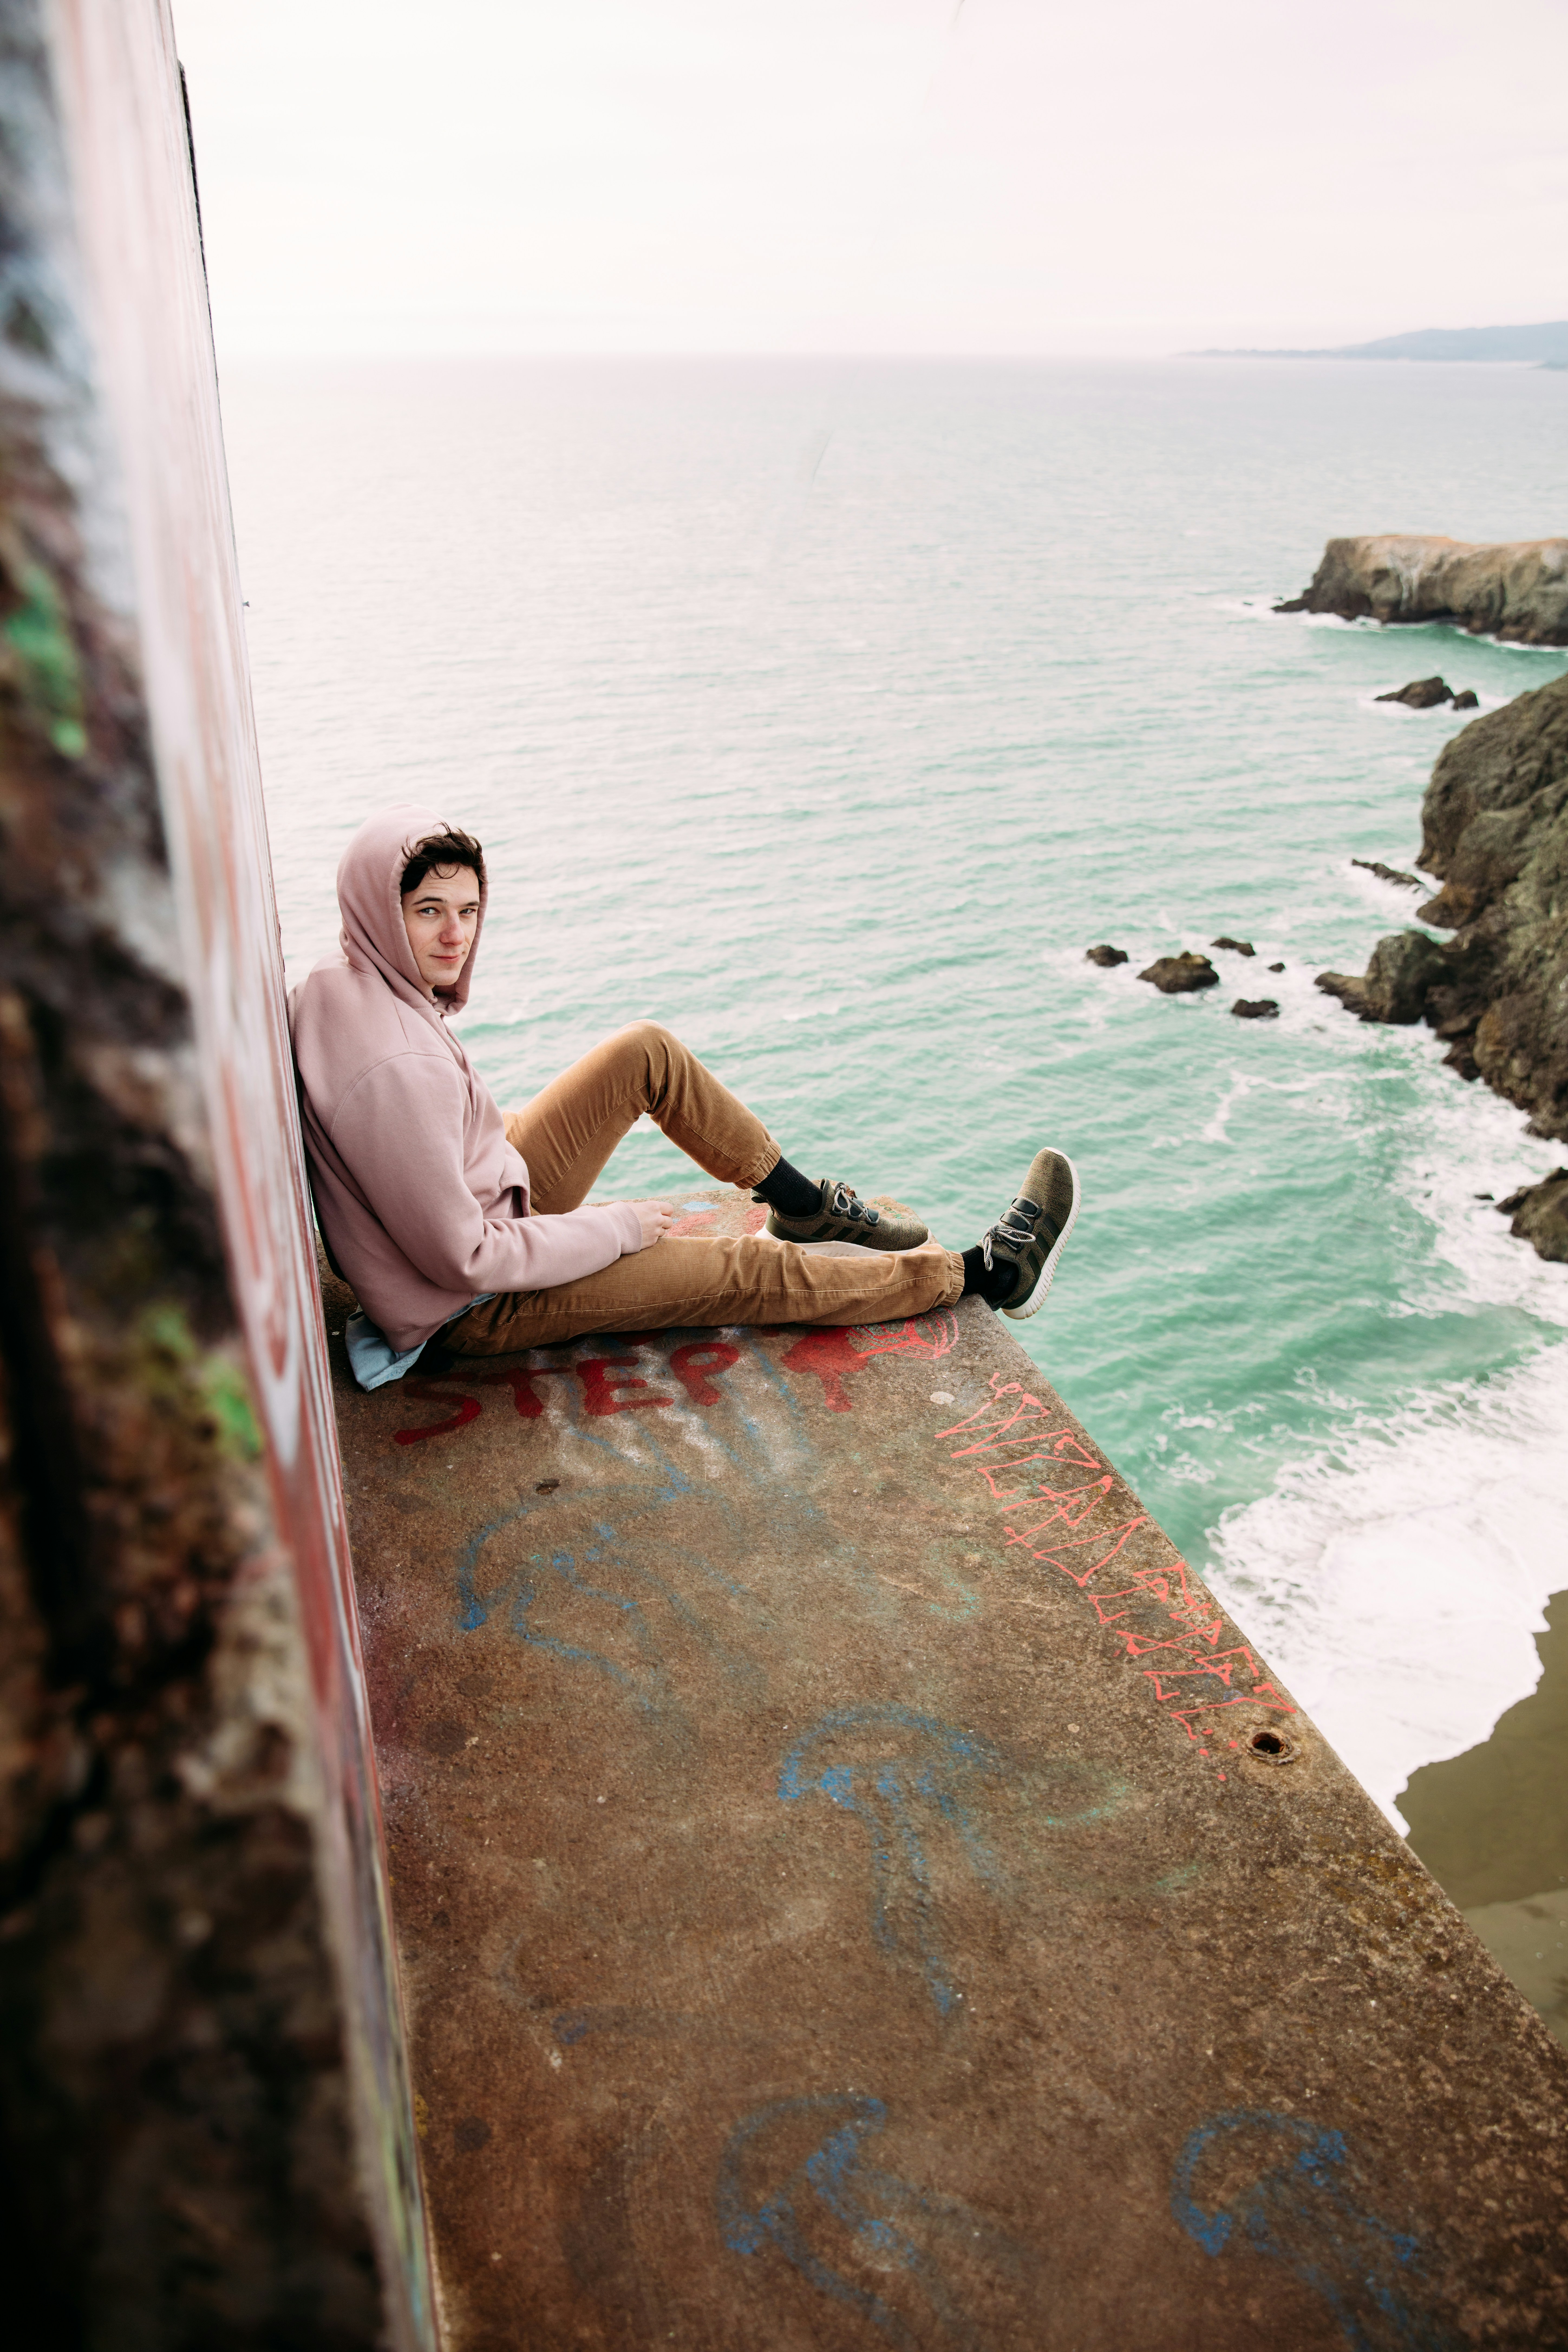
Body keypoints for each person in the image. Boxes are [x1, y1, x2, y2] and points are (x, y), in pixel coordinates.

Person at [289, 804, 1080, 1390]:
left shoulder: (341, 980)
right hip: (477, 1301)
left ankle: (801, 1202)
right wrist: (617, 1229)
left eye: (467, 911)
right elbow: (465, 1259)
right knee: (743, 1273)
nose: (455, 937)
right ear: (378, 910)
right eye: (428, 912)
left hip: (492, 1187)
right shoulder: (395, 1069)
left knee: (645, 1053)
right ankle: (983, 1275)